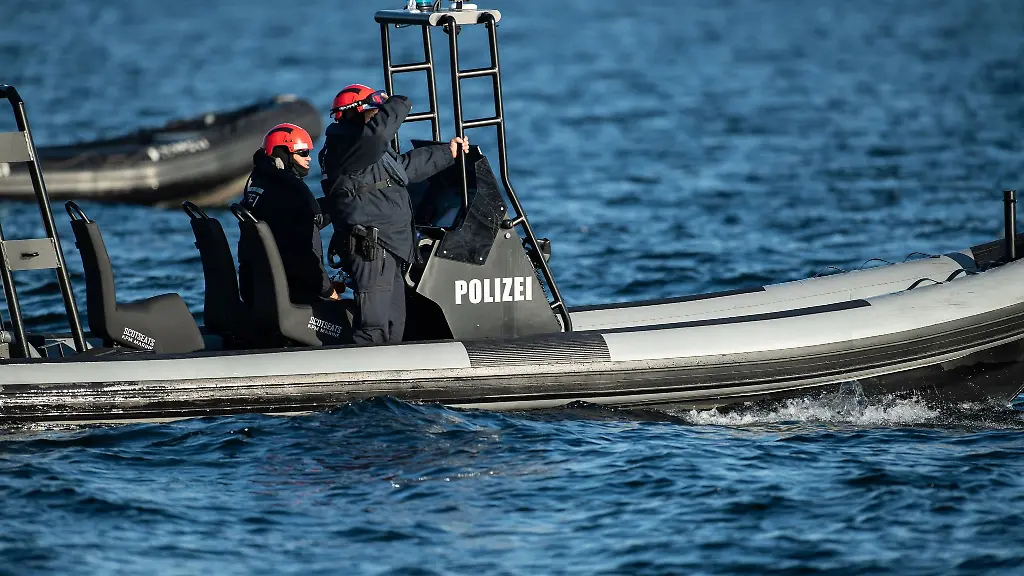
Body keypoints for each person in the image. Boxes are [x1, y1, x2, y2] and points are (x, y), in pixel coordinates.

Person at [319, 84, 469, 345]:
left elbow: (403, 169)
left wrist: (448, 153)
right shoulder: (348, 146)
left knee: (394, 324)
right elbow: (377, 135)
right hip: (371, 248)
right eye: (373, 110)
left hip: (390, 245)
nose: (377, 115)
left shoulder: (366, 150)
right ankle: (362, 375)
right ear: (357, 112)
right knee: (374, 327)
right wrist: (397, 102)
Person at [238, 123, 342, 306]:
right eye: (302, 153)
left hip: (261, 290)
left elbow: (287, 224)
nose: (309, 158)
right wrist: (327, 290)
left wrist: (337, 205)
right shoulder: (290, 191)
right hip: (294, 297)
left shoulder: (259, 184)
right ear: (283, 153)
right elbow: (303, 253)